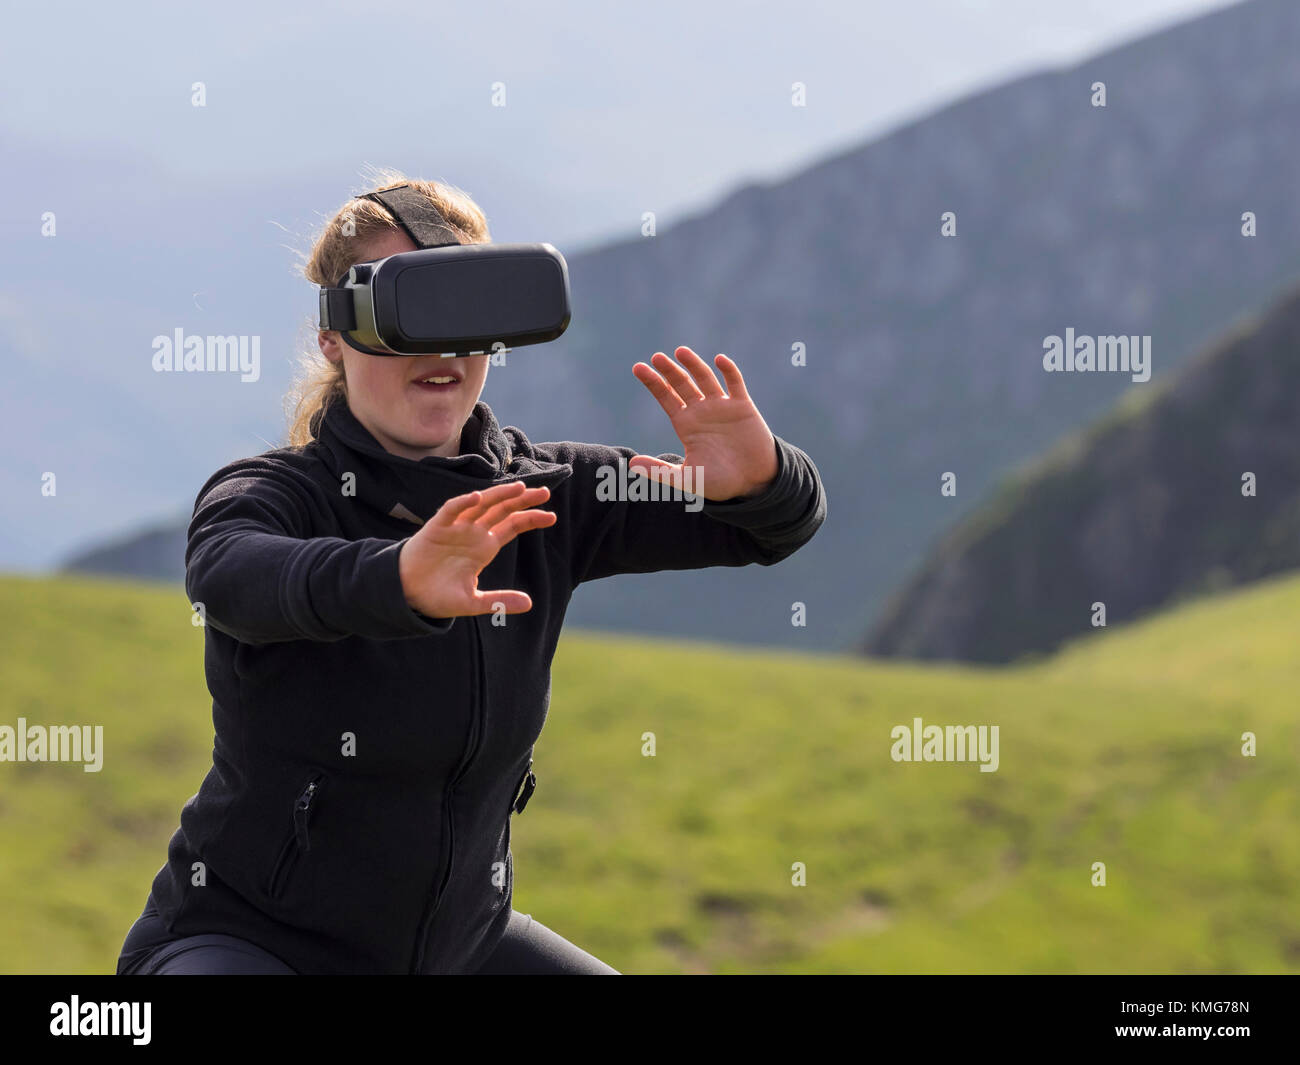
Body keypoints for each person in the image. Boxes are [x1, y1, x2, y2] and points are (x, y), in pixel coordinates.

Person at [115, 173, 827, 975]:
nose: (443, 352)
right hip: (250, 943)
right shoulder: (280, 494)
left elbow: (766, 530)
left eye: (466, 316)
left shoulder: (544, 493)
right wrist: (394, 578)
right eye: (409, 315)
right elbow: (230, 574)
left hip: (461, 948)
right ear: (333, 338)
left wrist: (763, 480)